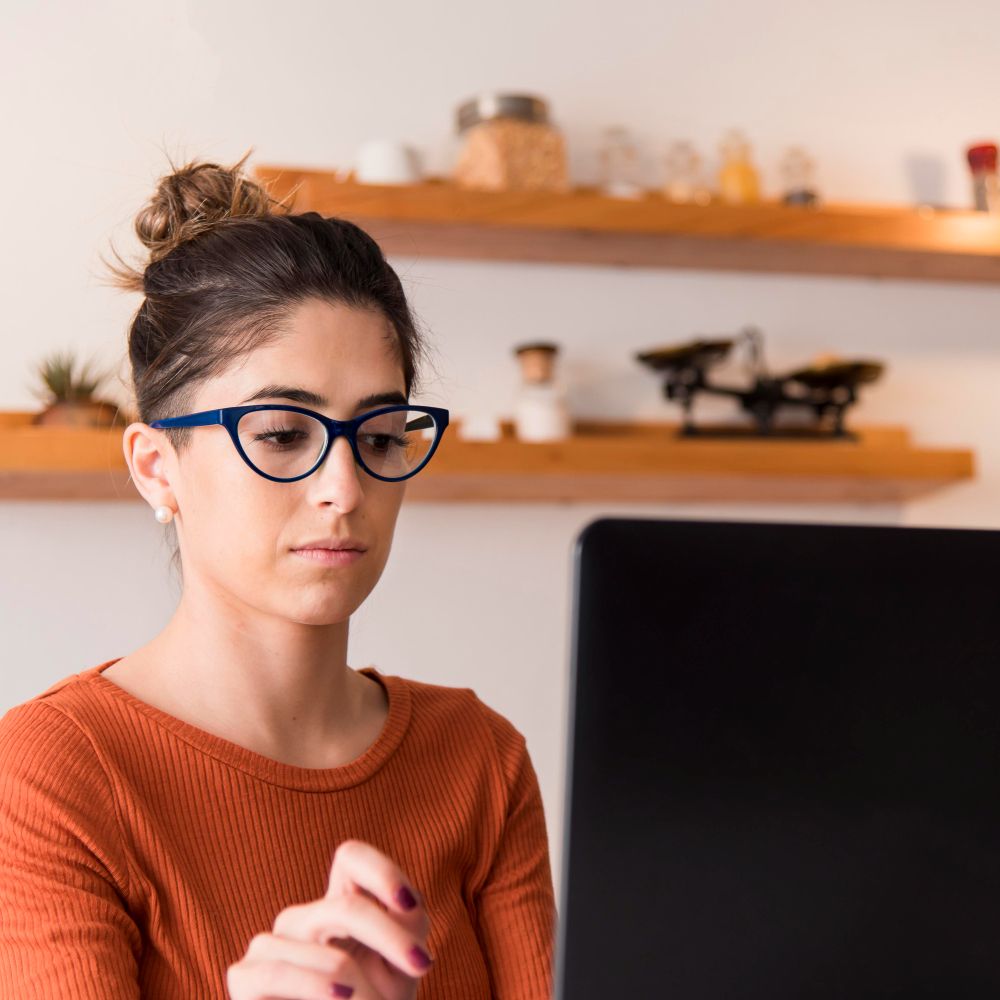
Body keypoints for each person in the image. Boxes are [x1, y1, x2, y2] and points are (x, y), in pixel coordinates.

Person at [0, 150, 557, 999]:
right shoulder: (52, 775)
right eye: (283, 434)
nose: (344, 489)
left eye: (380, 437)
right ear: (156, 468)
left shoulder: (480, 758)